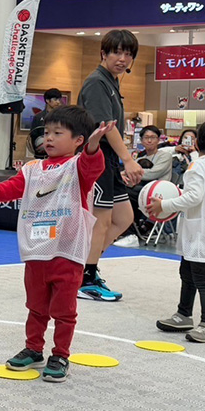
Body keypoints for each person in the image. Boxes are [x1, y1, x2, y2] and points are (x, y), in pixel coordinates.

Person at [0, 107, 110, 383]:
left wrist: (94, 144)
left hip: (67, 251)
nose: (48, 138)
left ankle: (60, 354)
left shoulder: (78, 168)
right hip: (37, 250)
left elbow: (92, 164)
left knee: (64, 310)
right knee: (36, 306)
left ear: (78, 140)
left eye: (57, 133)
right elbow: (9, 190)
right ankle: (34, 349)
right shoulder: (32, 169)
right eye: (46, 132)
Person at [150, 118, 205, 343]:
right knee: (188, 272)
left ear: (197, 143)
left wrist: (164, 205)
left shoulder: (197, 165)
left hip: (198, 231)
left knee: (200, 278)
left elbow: (194, 196)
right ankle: (183, 314)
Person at [77, 30, 144, 302]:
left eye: (128, 54)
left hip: (110, 163)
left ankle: (82, 267)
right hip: (97, 162)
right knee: (101, 220)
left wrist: (123, 160)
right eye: (117, 52)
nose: (122, 58)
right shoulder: (97, 83)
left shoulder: (112, 83)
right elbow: (105, 127)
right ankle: (85, 277)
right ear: (104, 53)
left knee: (124, 218)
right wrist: (128, 159)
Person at [28, 88, 63, 159]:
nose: (58, 102)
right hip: (41, 155)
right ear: (47, 100)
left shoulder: (63, 117)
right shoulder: (38, 117)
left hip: (59, 155)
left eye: (59, 99)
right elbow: (33, 135)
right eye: (55, 99)